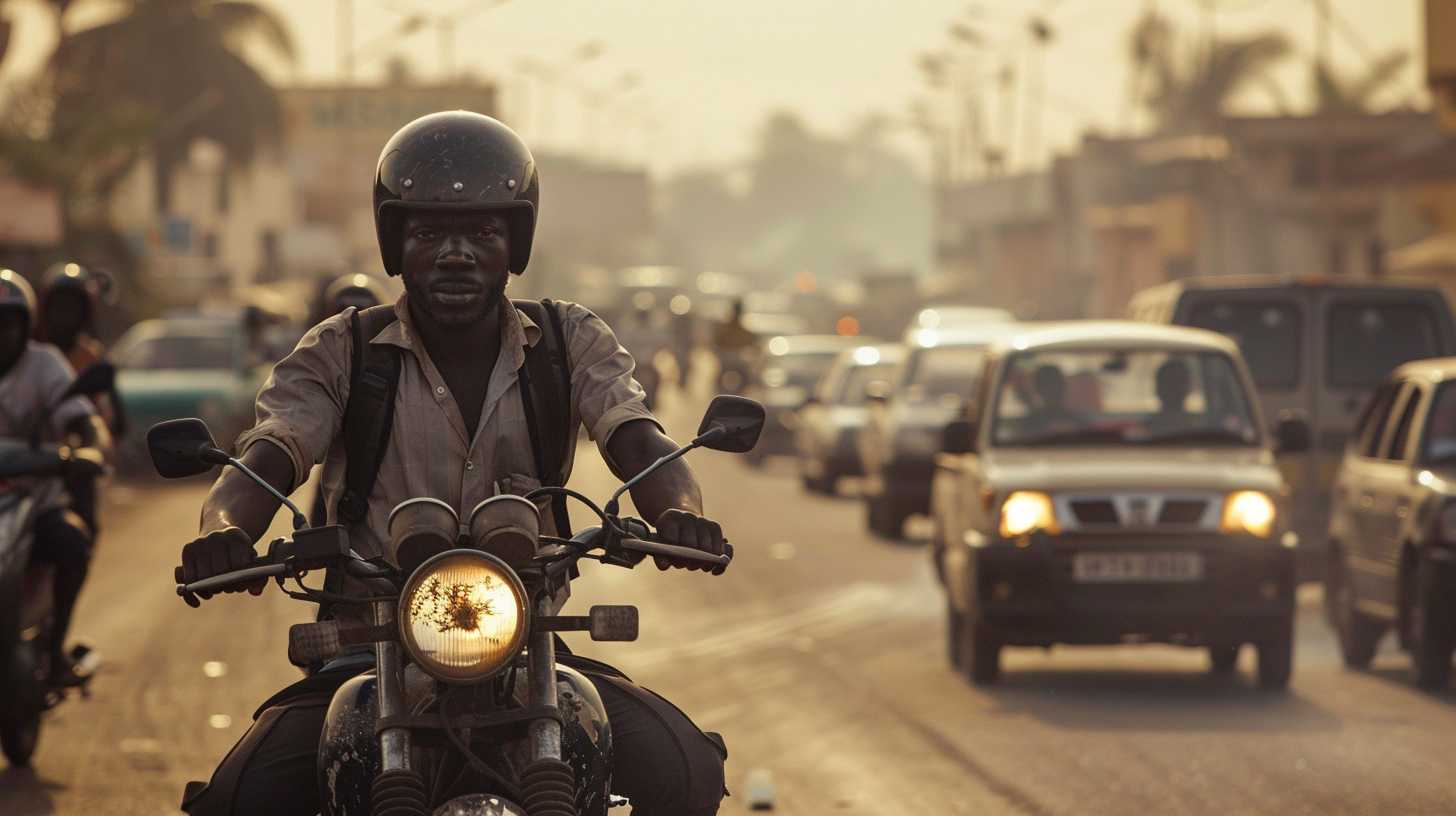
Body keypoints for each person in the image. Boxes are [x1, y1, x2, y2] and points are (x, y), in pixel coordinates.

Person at [177, 112, 729, 816]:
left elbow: (639, 440)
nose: (457, 254)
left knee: (684, 774)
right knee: (237, 800)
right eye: (431, 233)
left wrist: (682, 514)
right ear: (395, 242)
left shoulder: (569, 341)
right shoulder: (341, 350)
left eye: (483, 233)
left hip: (531, 654)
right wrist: (224, 526)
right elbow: (271, 451)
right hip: (369, 650)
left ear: (515, 243)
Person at [0, 269, 110, 686]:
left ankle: (54, 648)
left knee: (73, 544)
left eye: (7, 324)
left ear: (25, 325)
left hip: (34, 504)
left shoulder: (45, 364)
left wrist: (89, 447)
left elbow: (84, 419)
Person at [712, 298, 757, 392]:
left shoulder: (740, 328)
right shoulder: (727, 327)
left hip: (737, 357)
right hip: (727, 356)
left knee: (746, 376)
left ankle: (742, 391)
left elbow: (751, 342)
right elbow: (717, 342)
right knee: (720, 375)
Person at [1145, 358, 1196, 436]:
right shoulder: (1201, 429)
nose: (1174, 390)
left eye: (1178, 383)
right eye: (1170, 385)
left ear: (1157, 390)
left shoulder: (1146, 431)